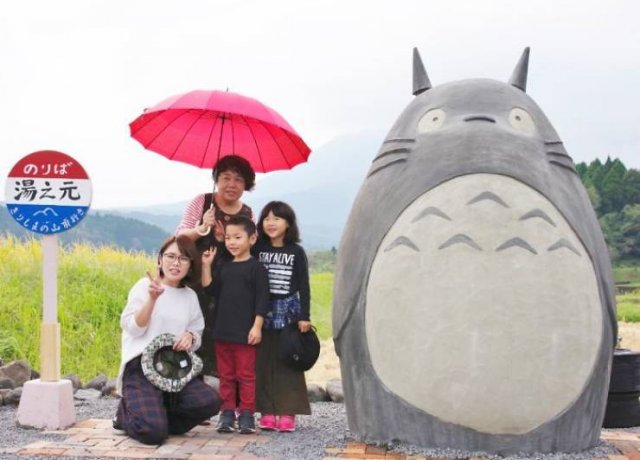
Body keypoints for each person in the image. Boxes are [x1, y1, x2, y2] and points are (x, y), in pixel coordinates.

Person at [114, 235, 220, 445]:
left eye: (183, 258)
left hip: (174, 369)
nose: (175, 263)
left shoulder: (189, 295)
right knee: (153, 434)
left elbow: (196, 331)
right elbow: (133, 328)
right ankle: (125, 416)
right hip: (141, 367)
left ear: (190, 265)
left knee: (211, 401)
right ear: (160, 260)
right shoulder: (145, 286)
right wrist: (152, 299)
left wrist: (190, 336)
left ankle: (157, 415)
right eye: (170, 256)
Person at [176, 154, 256, 377]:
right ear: (216, 179)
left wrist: (225, 241)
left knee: (221, 337)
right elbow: (179, 237)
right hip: (194, 281)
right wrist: (201, 227)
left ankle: (221, 391)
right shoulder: (202, 202)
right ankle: (186, 380)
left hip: (228, 287)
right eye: (226, 177)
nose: (231, 184)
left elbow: (250, 251)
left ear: (246, 184)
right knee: (190, 329)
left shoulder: (248, 214)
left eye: (238, 179)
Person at [201, 215, 270, 434]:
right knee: (227, 376)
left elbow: (262, 299)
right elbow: (210, 289)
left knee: (246, 375)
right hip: (223, 332)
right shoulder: (224, 267)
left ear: (252, 238)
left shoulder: (257, 268)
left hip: (245, 333)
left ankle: (247, 415)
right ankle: (227, 413)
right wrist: (206, 265)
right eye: (228, 237)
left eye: (237, 237)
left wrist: (257, 326)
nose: (231, 242)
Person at [253, 201, 312, 432]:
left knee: (289, 361)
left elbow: (304, 286)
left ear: (288, 223)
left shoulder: (296, 252)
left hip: (288, 311)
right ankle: (267, 411)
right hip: (262, 311)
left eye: (277, 218)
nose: (271, 223)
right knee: (263, 360)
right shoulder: (257, 248)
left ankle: (288, 412)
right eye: (267, 218)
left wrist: (304, 316)